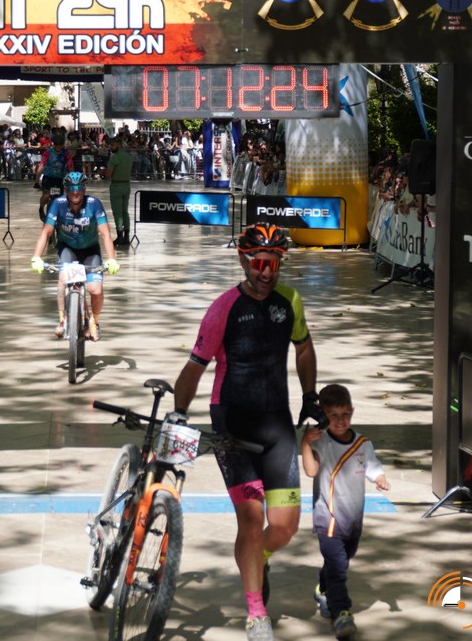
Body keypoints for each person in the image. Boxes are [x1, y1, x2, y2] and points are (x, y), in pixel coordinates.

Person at [170, 223, 324, 641]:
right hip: (232, 422)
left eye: (274, 263)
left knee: (286, 526)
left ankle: (260, 557)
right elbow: (194, 368)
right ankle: (256, 613)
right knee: (252, 518)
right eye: (259, 263)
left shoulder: (290, 301)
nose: (266, 272)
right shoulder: (223, 308)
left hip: (276, 423)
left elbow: (304, 347)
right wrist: (179, 413)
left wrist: (310, 394)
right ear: (243, 260)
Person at [301, 384, 390, 640]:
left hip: (353, 520)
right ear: (323, 416)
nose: (340, 421)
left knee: (342, 559)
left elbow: (373, 466)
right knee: (339, 567)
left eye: (345, 414)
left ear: (352, 411)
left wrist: (380, 478)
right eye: (333, 416)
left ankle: (323, 586)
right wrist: (305, 443)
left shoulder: (363, 443)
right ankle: (342, 613)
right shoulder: (322, 442)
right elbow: (311, 470)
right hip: (328, 518)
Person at [29, 171, 119, 341]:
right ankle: (63, 320)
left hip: (90, 250)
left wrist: (112, 259)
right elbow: (46, 232)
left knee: (95, 289)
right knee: (63, 280)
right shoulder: (58, 204)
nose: (75, 192)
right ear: (66, 190)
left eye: (79, 188)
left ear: (84, 189)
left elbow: (106, 234)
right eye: (71, 189)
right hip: (68, 248)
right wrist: (36, 257)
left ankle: (94, 321)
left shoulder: (94, 204)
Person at [103, 135, 134, 246]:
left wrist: (103, 172)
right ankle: (127, 237)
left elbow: (108, 174)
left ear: (119, 145)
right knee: (125, 211)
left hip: (116, 186)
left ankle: (120, 236)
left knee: (117, 213)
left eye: (112, 145)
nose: (111, 147)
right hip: (127, 185)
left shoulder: (114, 157)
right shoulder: (128, 156)